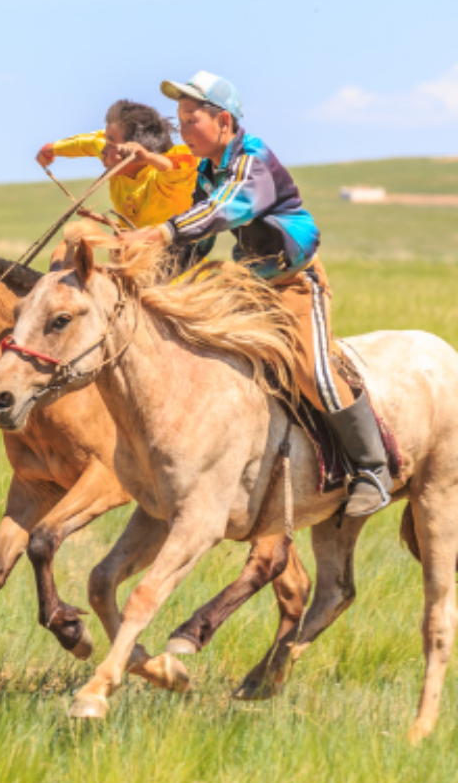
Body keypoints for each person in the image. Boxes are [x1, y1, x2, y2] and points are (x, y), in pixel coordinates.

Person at [121, 71, 392, 517]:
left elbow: (224, 211)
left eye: (191, 120)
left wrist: (160, 232)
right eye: (180, 120)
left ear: (223, 121)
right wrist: (143, 280)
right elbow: (197, 239)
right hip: (249, 283)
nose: (182, 130)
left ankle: (371, 469)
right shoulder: (208, 169)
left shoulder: (253, 160)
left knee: (312, 371)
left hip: (294, 282)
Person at [36, 100, 198, 229]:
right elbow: (89, 143)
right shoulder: (115, 158)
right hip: (130, 253)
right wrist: (50, 150)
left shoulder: (163, 178)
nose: (103, 150)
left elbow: (171, 167)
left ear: (137, 150)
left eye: (111, 144)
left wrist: (148, 157)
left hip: (177, 259)